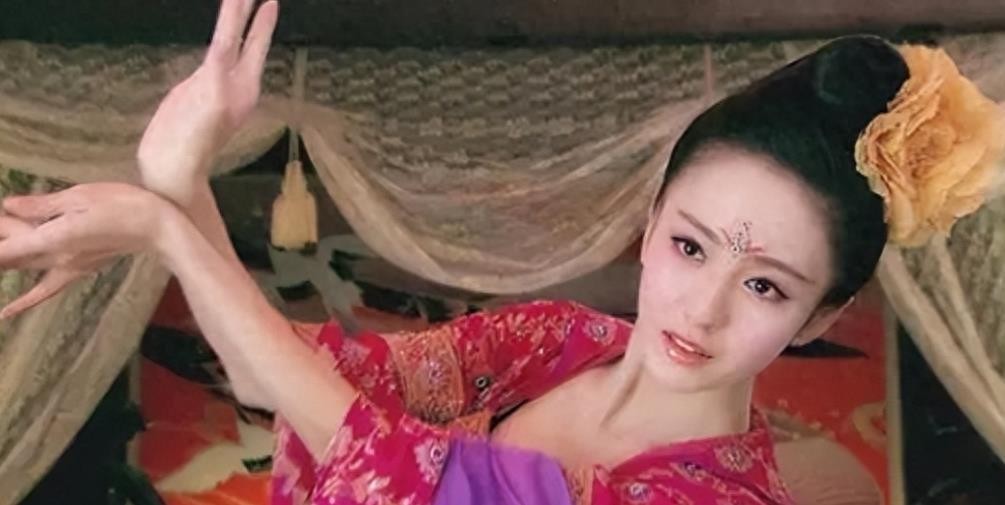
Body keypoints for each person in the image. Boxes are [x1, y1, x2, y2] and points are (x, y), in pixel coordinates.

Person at [0, 1, 1001, 504]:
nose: (703, 308)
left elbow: (407, 473)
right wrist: (177, 179)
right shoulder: (556, 341)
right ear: (651, 222)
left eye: (767, 285)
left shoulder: (715, 493)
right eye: (691, 246)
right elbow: (300, 381)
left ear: (823, 315)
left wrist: (170, 229)